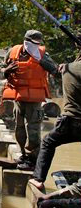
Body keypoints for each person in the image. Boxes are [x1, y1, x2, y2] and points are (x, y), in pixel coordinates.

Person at [29, 36, 81, 193]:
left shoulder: (68, 68)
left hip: (70, 122)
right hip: (72, 120)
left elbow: (50, 66)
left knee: (48, 143)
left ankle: (38, 180)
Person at [1, 30, 58, 170]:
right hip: (19, 97)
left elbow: (55, 71)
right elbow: (2, 68)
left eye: (38, 43)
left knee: (33, 130)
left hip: (34, 99)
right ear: (25, 41)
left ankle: (33, 160)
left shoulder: (43, 55)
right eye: (32, 43)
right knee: (19, 128)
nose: (35, 46)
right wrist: (6, 70)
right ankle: (23, 154)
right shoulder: (13, 52)